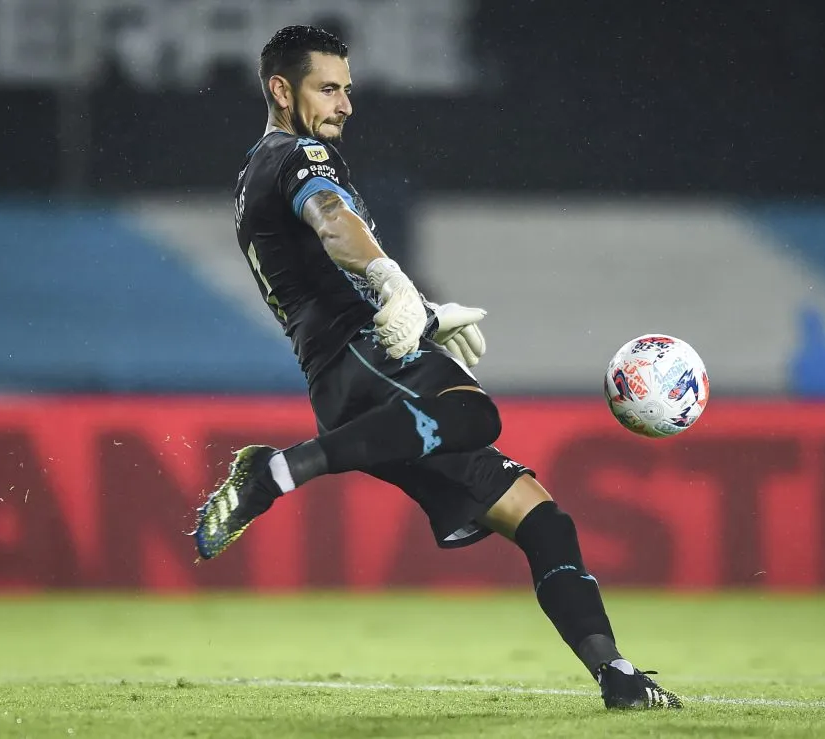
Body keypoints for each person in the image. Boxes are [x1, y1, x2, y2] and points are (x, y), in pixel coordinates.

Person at [193, 25, 681, 711]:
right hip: (362, 356)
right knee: (474, 411)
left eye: (348, 90)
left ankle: (618, 674)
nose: (344, 104)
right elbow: (332, 222)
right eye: (327, 88)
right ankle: (276, 472)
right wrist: (393, 281)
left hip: (355, 386)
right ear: (280, 89)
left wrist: (421, 309)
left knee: (543, 519)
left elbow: (315, 259)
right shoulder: (297, 154)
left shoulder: (253, 173)